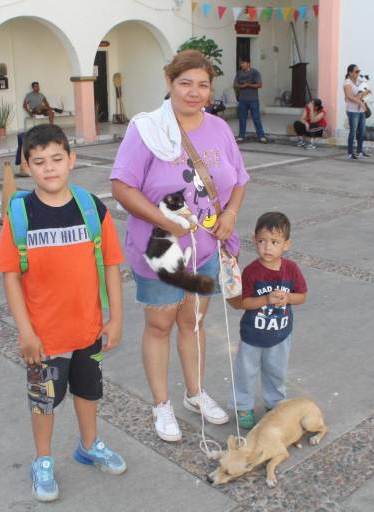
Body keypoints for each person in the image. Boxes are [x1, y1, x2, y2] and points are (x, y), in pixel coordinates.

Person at [111, 50, 249, 442]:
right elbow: (121, 185)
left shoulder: (219, 128)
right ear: (169, 83)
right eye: (185, 83)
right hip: (161, 249)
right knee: (160, 325)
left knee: (195, 321)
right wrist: (164, 220)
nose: (194, 92)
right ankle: (161, 404)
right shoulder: (147, 130)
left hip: (204, 247)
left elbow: (239, 179)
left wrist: (230, 216)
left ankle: (195, 393)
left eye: (202, 84)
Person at [0, 124, 126, 502]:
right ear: (26, 166)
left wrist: (115, 317)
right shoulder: (20, 213)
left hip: (89, 330)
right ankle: (43, 460)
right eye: (39, 162)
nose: (49, 168)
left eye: (56, 159)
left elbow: (112, 265)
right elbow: (11, 278)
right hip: (45, 337)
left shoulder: (90, 208)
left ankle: (89, 445)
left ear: (72, 159)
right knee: (44, 401)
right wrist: (26, 333)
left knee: (88, 391)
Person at [227, 212, 307, 429]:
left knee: (276, 371)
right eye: (262, 241)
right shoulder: (252, 272)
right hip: (252, 335)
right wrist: (265, 299)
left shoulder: (291, 269)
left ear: (286, 244)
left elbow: (302, 296)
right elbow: (243, 302)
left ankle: (275, 403)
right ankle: (243, 405)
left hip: (280, 335)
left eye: (274, 242)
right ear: (254, 241)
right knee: (246, 372)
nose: (267, 247)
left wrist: (288, 298)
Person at [234, 58, 267, 143]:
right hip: (242, 99)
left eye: (243, 63)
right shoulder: (239, 73)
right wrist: (241, 86)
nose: (241, 65)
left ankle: (261, 136)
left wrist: (248, 85)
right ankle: (241, 136)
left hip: (253, 99)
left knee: (256, 118)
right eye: (241, 63)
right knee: (242, 118)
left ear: (248, 63)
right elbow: (235, 84)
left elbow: (260, 85)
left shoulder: (255, 72)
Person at [343, 64, 371, 160]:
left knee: (362, 131)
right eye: (356, 71)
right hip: (352, 110)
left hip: (361, 110)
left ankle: (360, 151)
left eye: (359, 71)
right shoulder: (347, 82)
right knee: (353, 131)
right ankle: (350, 153)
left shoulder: (359, 80)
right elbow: (349, 97)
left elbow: (365, 88)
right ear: (350, 73)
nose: (358, 73)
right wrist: (360, 100)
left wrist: (365, 92)